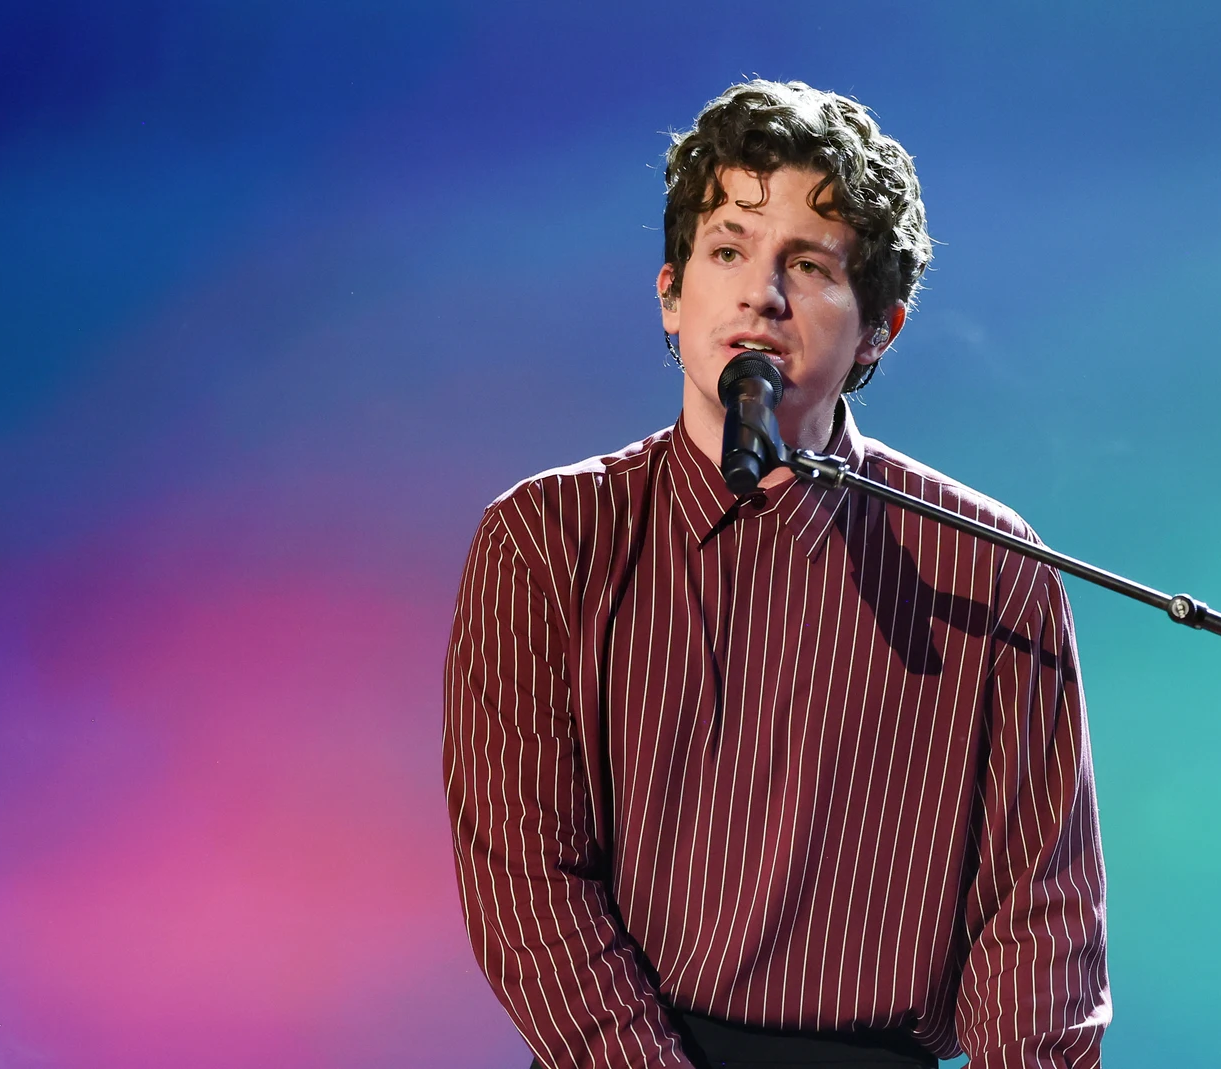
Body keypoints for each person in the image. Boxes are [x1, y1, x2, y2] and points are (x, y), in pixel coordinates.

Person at [444, 79, 1110, 1069]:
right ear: (670, 296)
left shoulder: (990, 565)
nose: (760, 294)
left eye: (806, 263)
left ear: (879, 326)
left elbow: (1038, 925)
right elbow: (529, 887)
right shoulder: (545, 538)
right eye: (727, 252)